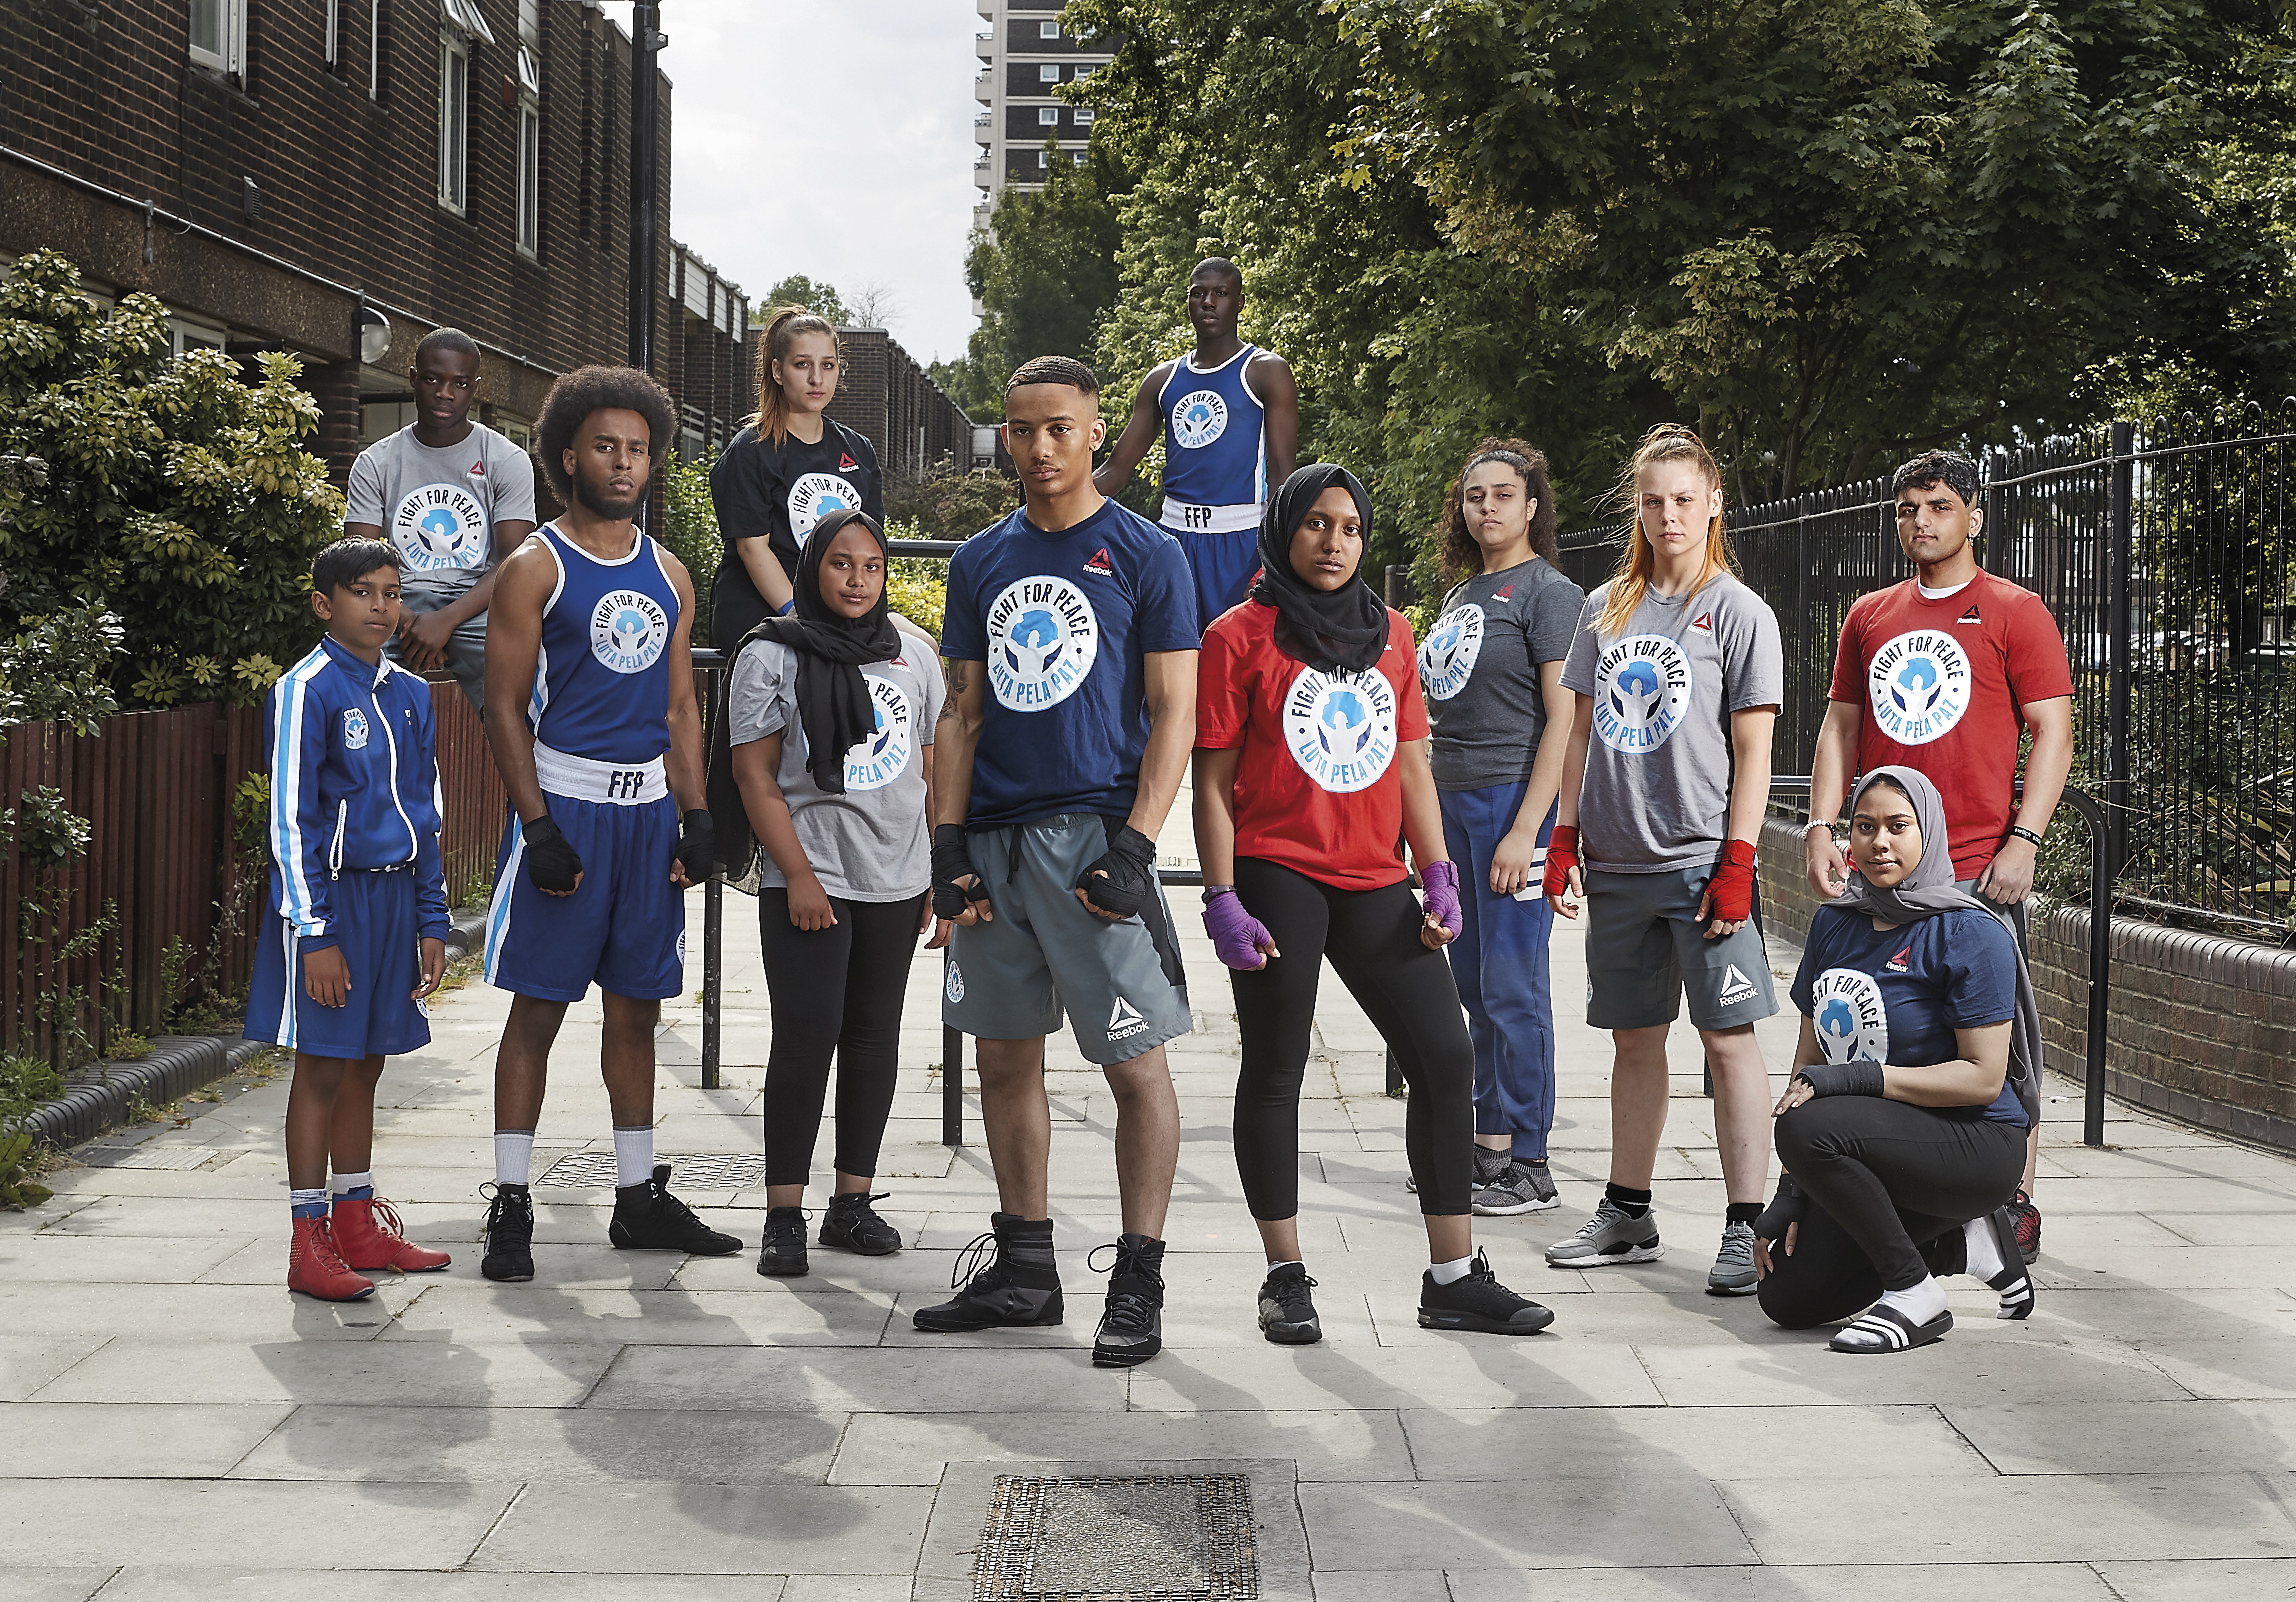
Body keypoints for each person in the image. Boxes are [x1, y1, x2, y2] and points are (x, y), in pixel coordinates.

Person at [1196, 463, 1556, 1342]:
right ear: (1285, 530)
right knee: (1276, 1069)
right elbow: (1206, 780)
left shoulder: (1392, 634)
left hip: (1372, 877)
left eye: (1350, 527)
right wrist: (1219, 897)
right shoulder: (1235, 636)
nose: (1332, 542)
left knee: (1443, 1056)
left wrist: (1435, 874)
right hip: (1276, 868)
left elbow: (1405, 764)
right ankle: (1284, 1277)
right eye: (1316, 524)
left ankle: (1451, 1277)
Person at [919, 354, 1199, 1369]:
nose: (1036, 450)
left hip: (1092, 842)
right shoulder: (979, 561)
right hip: (991, 839)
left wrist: (1137, 843)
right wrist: (945, 843)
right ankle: (1027, 1267)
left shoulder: (1145, 553)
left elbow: (1176, 713)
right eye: (1019, 430)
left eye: (1057, 430)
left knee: (1133, 1062)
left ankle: (1138, 1273)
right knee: (1002, 1057)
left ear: (1093, 435)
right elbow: (961, 709)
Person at [475, 365, 736, 1282]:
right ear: (566, 456)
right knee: (538, 1011)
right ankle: (510, 1202)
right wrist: (536, 825)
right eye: (605, 448)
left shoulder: (667, 572)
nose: (623, 464)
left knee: (637, 1010)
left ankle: (635, 1197)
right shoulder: (533, 567)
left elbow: (677, 708)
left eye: (637, 450)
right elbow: (504, 707)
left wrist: (698, 814)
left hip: (647, 815)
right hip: (569, 809)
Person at [1805, 449, 2072, 1266]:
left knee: (2000, 1051)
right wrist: (1822, 824)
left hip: (1972, 873)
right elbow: (1840, 729)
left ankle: (2010, 1208)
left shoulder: (2013, 610)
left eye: (1938, 506)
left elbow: (2052, 730)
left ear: (1974, 516)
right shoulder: (1870, 614)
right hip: (1883, 868)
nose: (1920, 522)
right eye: (1907, 509)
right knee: (1887, 1035)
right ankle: (1924, 1207)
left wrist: (2024, 839)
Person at [1542, 424, 1784, 1295]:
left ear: (1712, 503)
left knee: (1727, 1043)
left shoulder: (1738, 613)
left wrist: (1737, 858)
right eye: (1651, 501)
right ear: (1634, 509)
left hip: (1698, 863)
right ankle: (1627, 1210)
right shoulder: (1603, 606)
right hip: (1615, 862)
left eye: (1683, 499)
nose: (1667, 515)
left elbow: (1753, 752)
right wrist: (1563, 838)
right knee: (1632, 1040)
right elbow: (1574, 732)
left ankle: (1744, 1224)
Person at [721, 509, 944, 1277]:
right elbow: (755, 775)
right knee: (807, 1033)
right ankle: (784, 1212)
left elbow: (929, 767)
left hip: (897, 874)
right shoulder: (772, 654)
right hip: (810, 870)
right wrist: (802, 877)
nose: (857, 579)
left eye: (871, 566)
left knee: (875, 1032)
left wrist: (935, 875)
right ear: (814, 566)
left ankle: (852, 1202)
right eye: (841, 563)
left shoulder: (913, 651)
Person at [1756, 767, 2040, 1352]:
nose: (1879, 842)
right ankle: (1964, 1246)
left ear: (1927, 832)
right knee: (1787, 1299)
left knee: (1808, 1124)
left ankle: (1915, 1295)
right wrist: (1789, 1193)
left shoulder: (1969, 931)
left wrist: (1854, 1079)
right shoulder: (1834, 923)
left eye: (1897, 826)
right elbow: (1809, 1059)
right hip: (1871, 1143)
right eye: (1864, 827)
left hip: (1972, 1145)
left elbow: (1984, 1078)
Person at [248, 538, 452, 1300]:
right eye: (363, 591)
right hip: (333, 902)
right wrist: (317, 933)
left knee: (370, 1058)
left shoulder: (410, 692)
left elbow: (425, 811)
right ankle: (308, 1242)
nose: (381, 606)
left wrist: (434, 915)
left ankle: (358, 1223)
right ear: (324, 603)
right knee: (324, 1065)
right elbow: (289, 821)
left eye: (393, 592)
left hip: (399, 900)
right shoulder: (306, 689)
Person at [1418, 440, 1586, 1216]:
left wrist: (1529, 832)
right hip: (1451, 803)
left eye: (1502, 495)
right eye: (1474, 495)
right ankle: (1487, 1142)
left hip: (1510, 799)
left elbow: (1564, 719)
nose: (1486, 507)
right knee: (1472, 986)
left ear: (1531, 506)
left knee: (1513, 988)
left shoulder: (1550, 595)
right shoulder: (1459, 599)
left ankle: (1530, 1157)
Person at [1094, 258, 1299, 626]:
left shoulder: (1265, 370)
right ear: (1188, 302)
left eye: (1220, 294)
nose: (1209, 302)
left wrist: (1276, 555)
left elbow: (1283, 474)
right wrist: (1050, 501)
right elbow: (1114, 471)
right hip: (1172, 539)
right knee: (1167, 662)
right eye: (1199, 294)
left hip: (1243, 542)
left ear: (1239, 302)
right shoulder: (1163, 379)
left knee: (1237, 663)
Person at [343, 327, 537, 713]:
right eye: (433, 379)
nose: (445, 393)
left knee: (525, 669)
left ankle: (524, 764)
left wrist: (445, 620)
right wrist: (409, 617)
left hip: (478, 603)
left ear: (475, 388)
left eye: (460, 384)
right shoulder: (376, 462)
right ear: (414, 379)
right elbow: (358, 561)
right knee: (349, 658)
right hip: (399, 601)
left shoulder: (507, 459)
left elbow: (513, 565)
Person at [708, 307, 884, 650]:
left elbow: (870, 548)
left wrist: (858, 617)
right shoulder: (751, 450)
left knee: (923, 649)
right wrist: (803, 618)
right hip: (767, 614)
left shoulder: (858, 450)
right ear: (778, 370)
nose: (817, 379)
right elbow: (751, 548)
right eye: (802, 364)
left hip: (836, 612)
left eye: (828, 365)